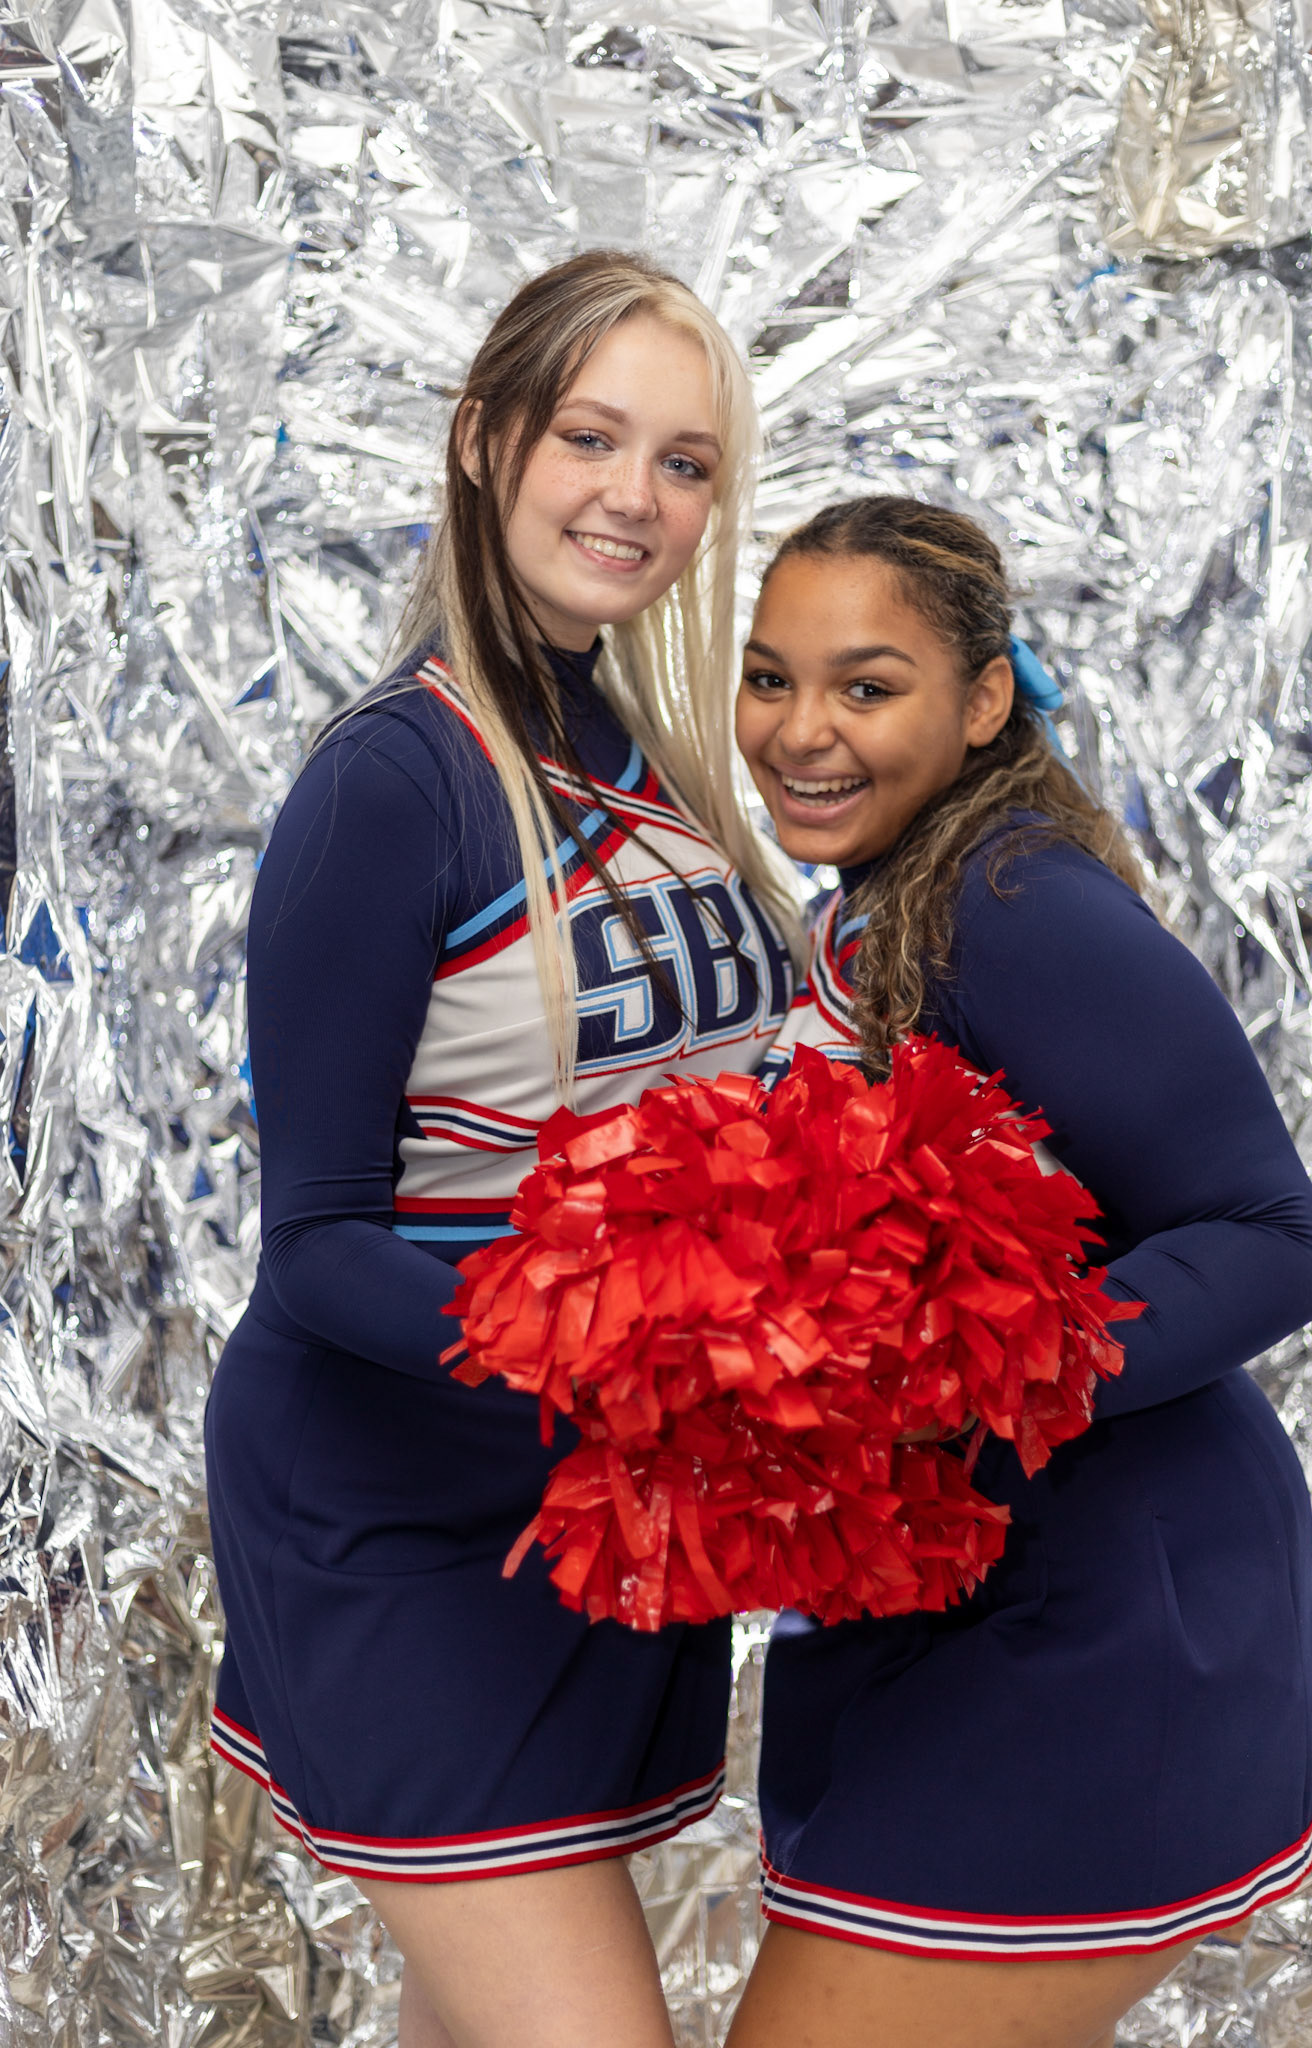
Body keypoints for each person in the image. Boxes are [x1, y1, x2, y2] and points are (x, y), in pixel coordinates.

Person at [204, 250, 801, 2048]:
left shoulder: (649, 753)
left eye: (684, 462)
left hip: (602, 1524)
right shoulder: (398, 780)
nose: (635, 496)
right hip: (405, 1517)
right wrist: (616, 1347)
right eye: (591, 436)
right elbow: (312, 1243)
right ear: (486, 439)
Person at [726, 496, 1312, 2048]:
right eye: (769, 677)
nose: (803, 731)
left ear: (982, 700)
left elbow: (1273, 1239)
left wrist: (951, 1382)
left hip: (1093, 1623)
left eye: (866, 687)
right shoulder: (888, 898)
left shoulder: (1011, 907)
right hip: (964, 1603)